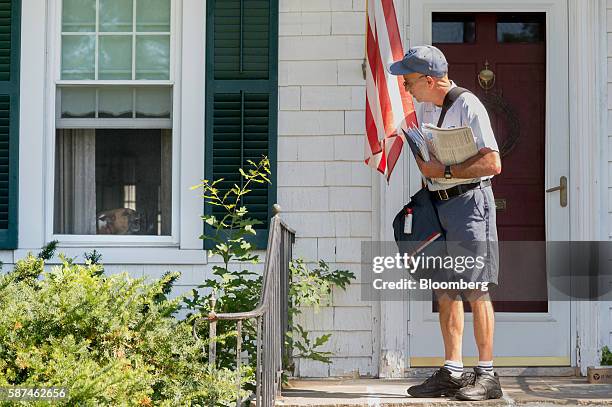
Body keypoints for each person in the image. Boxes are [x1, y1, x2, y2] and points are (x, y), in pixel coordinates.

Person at [389, 45, 503, 401]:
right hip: (438, 205)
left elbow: (494, 164)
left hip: (470, 206)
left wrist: (446, 170)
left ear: (429, 79)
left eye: (408, 81)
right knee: (444, 288)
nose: (405, 87)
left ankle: (487, 375)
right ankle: (452, 371)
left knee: (476, 287)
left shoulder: (469, 105)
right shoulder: (427, 108)